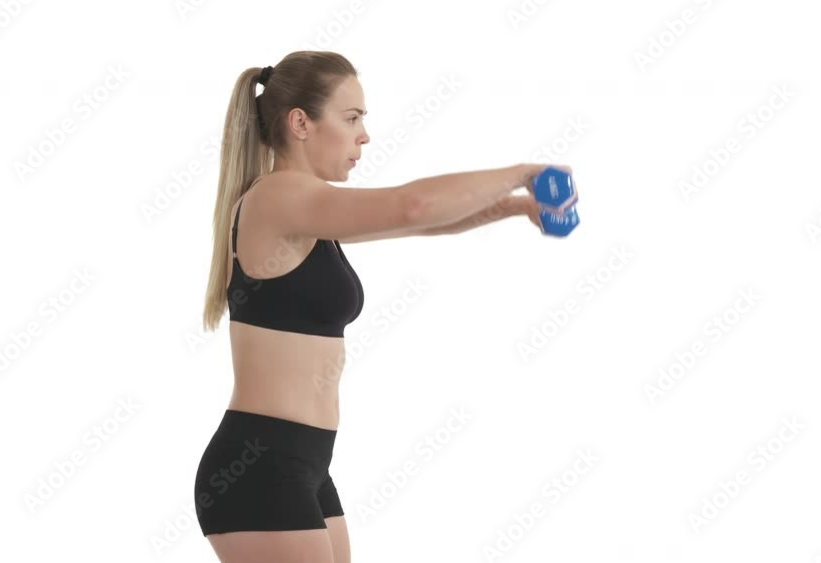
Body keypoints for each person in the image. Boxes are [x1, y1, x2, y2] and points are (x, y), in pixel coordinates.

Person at [193, 50, 572, 563]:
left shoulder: (310, 210)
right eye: (351, 119)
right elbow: (411, 205)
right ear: (300, 123)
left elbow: (420, 221)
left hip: (305, 461)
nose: (364, 135)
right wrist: (524, 173)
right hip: (258, 465)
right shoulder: (278, 198)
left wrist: (517, 205)